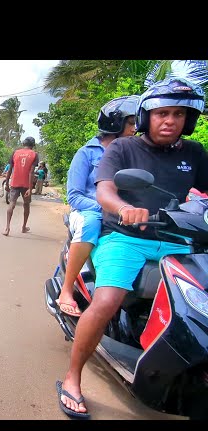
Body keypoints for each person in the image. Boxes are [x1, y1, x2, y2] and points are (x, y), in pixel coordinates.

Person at [57, 77, 208, 419]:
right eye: (163, 113)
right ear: (146, 118)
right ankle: (73, 377)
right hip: (124, 238)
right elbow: (104, 190)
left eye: (179, 115)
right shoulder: (122, 149)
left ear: (189, 120)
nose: (171, 120)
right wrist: (124, 208)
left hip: (177, 240)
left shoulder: (194, 153)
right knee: (107, 300)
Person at [56, 95, 139, 317]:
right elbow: (74, 196)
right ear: (116, 124)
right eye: (131, 123)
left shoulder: (135, 152)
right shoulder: (87, 153)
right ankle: (66, 291)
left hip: (123, 214)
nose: (135, 129)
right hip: (90, 212)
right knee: (92, 224)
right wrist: (107, 208)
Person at [2, 136, 39, 236]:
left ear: (23, 143)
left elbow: (10, 169)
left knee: (12, 204)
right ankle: (23, 227)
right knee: (26, 205)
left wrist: (6, 184)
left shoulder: (15, 152)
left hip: (15, 182)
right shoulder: (34, 155)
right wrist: (30, 189)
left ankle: (7, 228)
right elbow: (31, 172)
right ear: (32, 145)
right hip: (26, 185)